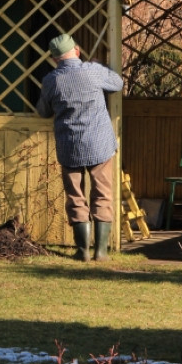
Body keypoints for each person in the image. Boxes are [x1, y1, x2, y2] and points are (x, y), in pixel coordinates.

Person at [36, 33, 123, 262]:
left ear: (55, 59)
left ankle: (82, 251)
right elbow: (117, 84)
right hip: (99, 144)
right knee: (102, 194)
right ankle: (101, 252)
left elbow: (44, 112)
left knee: (75, 197)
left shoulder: (51, 80)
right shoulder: (92, 71)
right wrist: (100, 67)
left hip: (70, 145)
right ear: (76, 50)